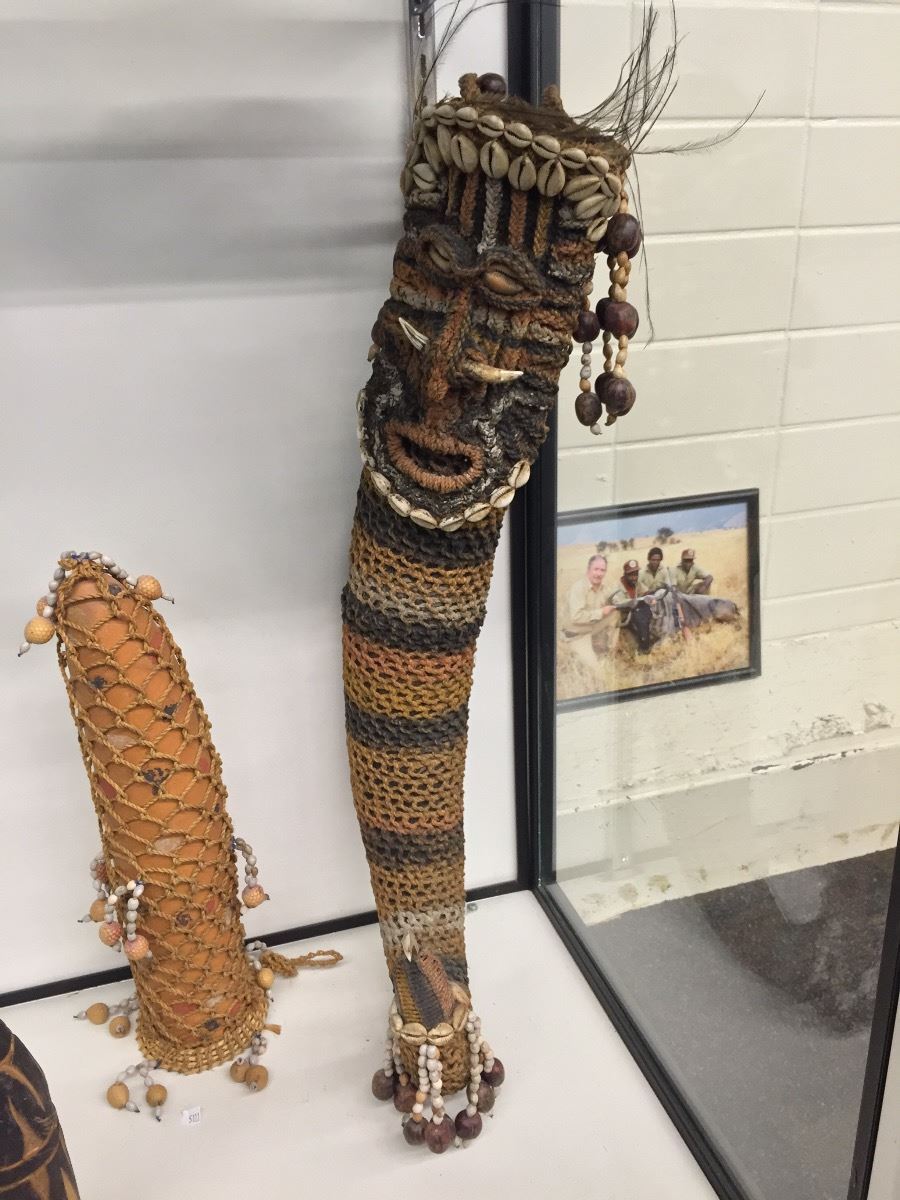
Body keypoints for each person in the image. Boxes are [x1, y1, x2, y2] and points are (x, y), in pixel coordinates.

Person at [563, 553, 619, 670]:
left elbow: (614, 598)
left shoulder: (603, 587)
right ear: (588, 570)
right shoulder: (578, 588)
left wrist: (619, 602)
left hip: (592, 629)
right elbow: (576, 617)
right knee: (598, 672)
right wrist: (601, 612)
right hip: (577, 635)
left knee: (615, 613)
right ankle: (583, 652)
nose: (599, 574)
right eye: (596, 569)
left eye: (602, 570)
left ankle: (610, 651)